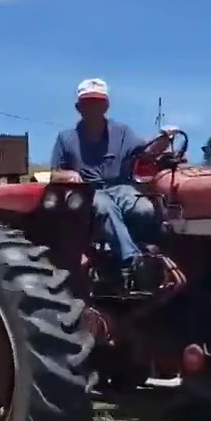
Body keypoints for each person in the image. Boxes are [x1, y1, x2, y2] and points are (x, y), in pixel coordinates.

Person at [49, 78, 175, 290]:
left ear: (106, 106)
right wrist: (68, 175)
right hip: (88, 190)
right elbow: (54, 173)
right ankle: (133, 262)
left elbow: (146, 153)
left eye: (98, 102)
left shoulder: (122, 132)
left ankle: (150, 250)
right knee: (104, 208)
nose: (93, 107)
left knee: (144, 208)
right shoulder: (66, 138)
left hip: (120, 186)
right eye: (88, 103)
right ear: (79, 107)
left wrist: (163, 141)